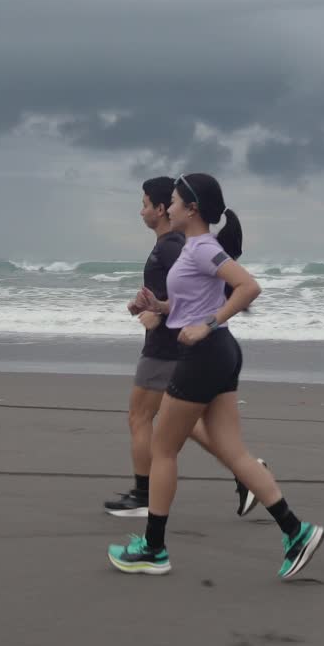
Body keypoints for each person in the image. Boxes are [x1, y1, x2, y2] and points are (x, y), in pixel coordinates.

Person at [107, 173, 324, 580]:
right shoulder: (193, 248)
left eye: (171, 201)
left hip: (206, 353)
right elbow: (189, 304)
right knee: (232, 451)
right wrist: (158, 305)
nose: (166, 208)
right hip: (220, 353)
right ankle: (296, 531)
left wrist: (208, 323)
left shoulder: (203, 247)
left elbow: (248, 287)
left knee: (163, 448)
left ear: (191, 209)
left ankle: (153, 549)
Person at [104, 176, 268, 518]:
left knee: (141, 418)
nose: (141, 211)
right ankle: (248, 472)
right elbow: (179, 294)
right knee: (185, 426)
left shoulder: (175, 245)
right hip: (179, 346)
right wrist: (151, 305)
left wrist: (167, 317)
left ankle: (144, 497)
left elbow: (214, 287)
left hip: (168, 348)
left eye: (146, 204)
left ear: (163, 209)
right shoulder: (172, 245)